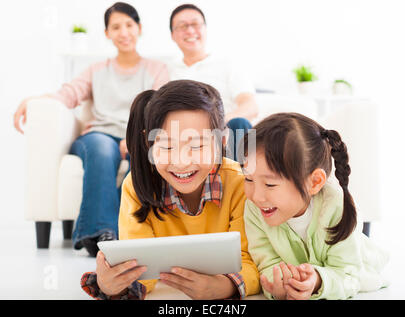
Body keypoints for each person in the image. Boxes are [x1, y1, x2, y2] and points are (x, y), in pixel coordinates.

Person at [13, 2, 169, 257]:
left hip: (138, 135)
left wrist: (133, 139)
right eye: (116, 27)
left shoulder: (156, 70)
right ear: (107, 33)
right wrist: (37, 99)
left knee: (141, 153)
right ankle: (97, 233)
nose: (124, 32)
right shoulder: (96, 70)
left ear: (139, 28)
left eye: (129, 25)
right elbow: (69, 94)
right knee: (101, 149)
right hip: (100, 134)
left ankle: (126, 230)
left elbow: (160, 109)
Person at [80, 80, 260, 300]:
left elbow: (252, 261)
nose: (181, 162)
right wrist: (113, 286)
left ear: (221, 141)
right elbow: (141, 273)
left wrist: (224, 287)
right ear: (149, 143)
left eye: (196, 146)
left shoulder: (239, 183)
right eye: (166, 146)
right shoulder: (136, 186)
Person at [241, 112, 389, 300]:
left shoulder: (335, 205)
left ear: (314, 182)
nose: (256, 195)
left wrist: (318, 280)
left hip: (359, 267)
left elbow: (348, 274)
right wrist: (278, 287)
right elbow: (268, 263)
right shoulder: (255, 208)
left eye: (270, 184)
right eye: (248, 178)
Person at [167, 4, 259, 160]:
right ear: (173, 35)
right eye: (182, 26)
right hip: (183, 136)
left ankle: (240, 182)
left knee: (239, 124)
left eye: (195, 24)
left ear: (205, 29)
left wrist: (219, 122)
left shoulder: (228, 64)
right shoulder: (166, 70)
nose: (190, 30)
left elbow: (250, 106)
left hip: (224, 132)